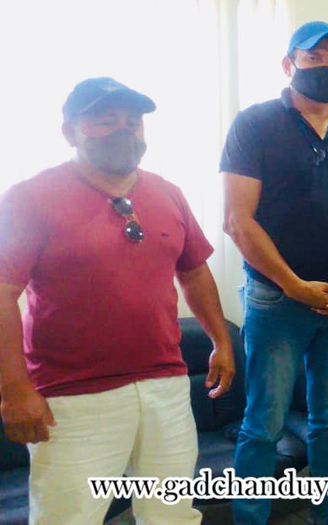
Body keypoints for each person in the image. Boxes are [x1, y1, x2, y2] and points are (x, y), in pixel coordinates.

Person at [0, 77, 234, 524]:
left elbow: (194, 271)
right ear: (69, 132)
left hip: (165, 386)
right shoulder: (29, 199)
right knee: (67, 518)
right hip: (72, 398)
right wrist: (13, 390)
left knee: (172, 514)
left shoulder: (167, 193)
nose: (123, 130)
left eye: (132, 122)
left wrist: (220, 341)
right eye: (105, 121)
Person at [221, 21, 328, 525]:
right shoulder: (254, 125)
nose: (326, 68)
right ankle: (251, 518)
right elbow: (237, 221)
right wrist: (294, 286)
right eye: (315, 58)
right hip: (277, 302)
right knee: (262, 424)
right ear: (289, 64)